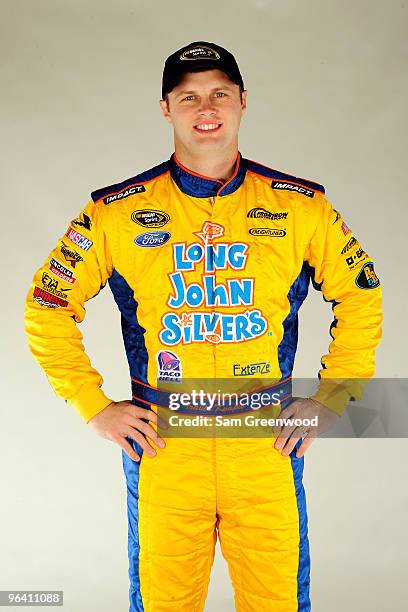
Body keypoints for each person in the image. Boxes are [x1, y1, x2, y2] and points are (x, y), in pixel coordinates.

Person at [25, 41, 382, 612]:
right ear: (166, 108)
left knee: (278, 604)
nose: (205, 108)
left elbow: (361, 295)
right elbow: (46, 303)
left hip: (265, 445)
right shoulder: (116, 212)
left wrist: (335, 395)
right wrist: (92, 405)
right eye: (187, 97)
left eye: (218, 93)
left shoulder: (302, 207)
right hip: (165, 448)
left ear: (242, 101)